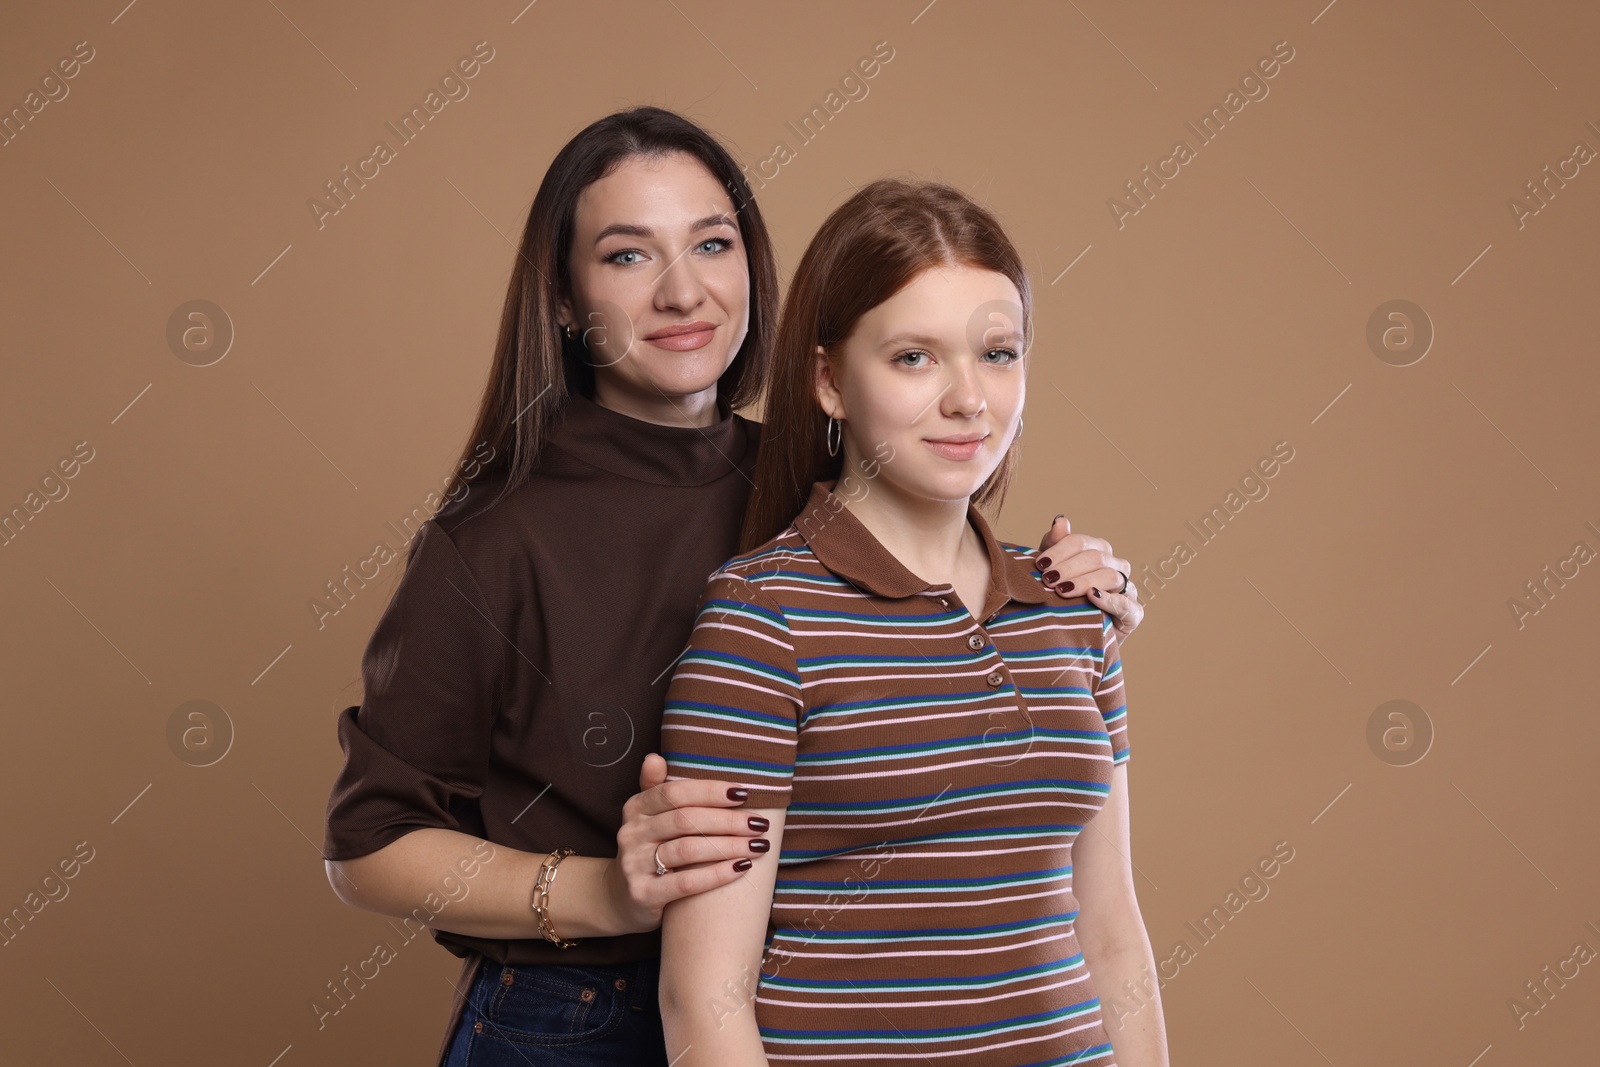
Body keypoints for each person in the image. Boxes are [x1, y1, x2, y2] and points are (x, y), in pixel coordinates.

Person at [319, 107, 1145, 1067]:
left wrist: (1071, 590)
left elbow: (932, 602)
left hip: (785, 999)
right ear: (561, 296)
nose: (683, 291)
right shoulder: (494, 540)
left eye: (713, 244)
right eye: (629, 257)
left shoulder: (811, 478)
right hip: (583, 1011)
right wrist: (607, 892)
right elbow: (368, 844)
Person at [657, 178, 1169, 1065]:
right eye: (915, 358)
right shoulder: (760, 621)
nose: (971, 399)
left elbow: (1115, 933)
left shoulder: (1073, 610)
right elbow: (704, 1000)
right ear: (828, 380)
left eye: (998, 353)